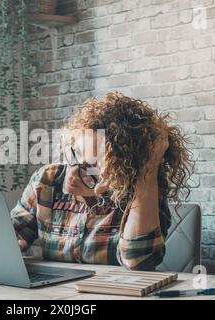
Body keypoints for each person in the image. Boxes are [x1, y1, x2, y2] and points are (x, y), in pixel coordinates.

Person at [11, 92, 193, 271]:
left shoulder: (140, 193)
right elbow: (12, 232)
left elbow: (138, 260)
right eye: (74, 153)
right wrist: (9, 242)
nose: (72, 173)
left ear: (121, 172)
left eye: (90, 167)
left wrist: (148, 167)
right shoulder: (48, 180)